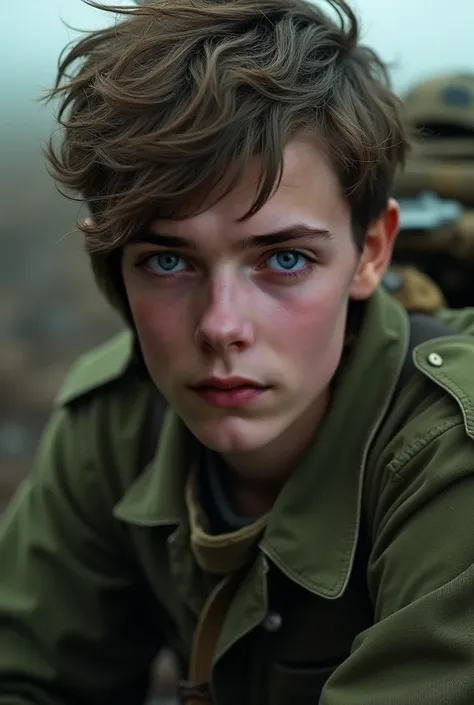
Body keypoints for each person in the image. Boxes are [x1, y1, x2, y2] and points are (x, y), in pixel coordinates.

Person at [2, 0, 474, 704]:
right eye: (168, 261)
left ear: (370, 251)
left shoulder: (451, 453)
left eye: (283, 258)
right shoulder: (116, 421)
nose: (222, 326)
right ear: (116, 267)